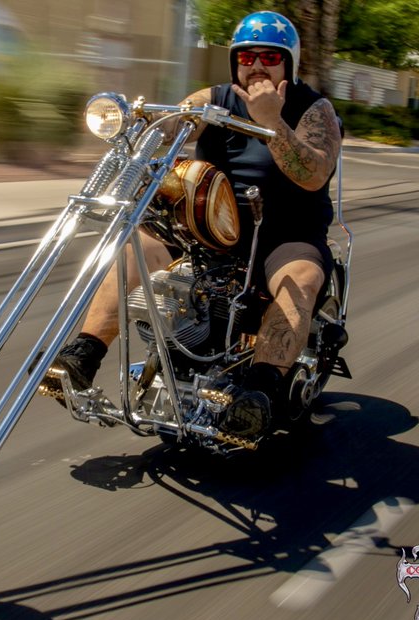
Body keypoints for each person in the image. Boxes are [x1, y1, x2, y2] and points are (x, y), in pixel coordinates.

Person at [41, 11, 342, 439]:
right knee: (134, 245)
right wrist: (150, 129)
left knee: (302, 279)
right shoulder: (216, 96)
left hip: (283, 234)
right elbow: (182, 118)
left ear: (287, 64)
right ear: (236, 61)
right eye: (248, 56)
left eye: (269, 58)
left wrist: (272, 121)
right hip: (209, 225)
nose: (257, 66)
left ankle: (259, 391)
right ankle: (83, 356)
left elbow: (313, 173)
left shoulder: (313, 109)